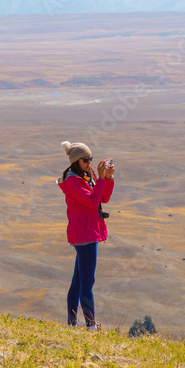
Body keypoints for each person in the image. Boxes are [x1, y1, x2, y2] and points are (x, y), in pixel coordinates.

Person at [57, 141, 114, 329]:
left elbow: (102, 198)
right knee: (87, 282)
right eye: (86, 160)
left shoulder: (84, 177)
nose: (89, 162)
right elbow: (92, 202)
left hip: (87, 233)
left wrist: (106, 178)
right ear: (75, 161)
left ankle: (71, 324)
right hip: (85, 235)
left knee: (78, 281)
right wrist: (100, 180)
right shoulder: (73, 182)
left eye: (90, 159)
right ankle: (90, 326)